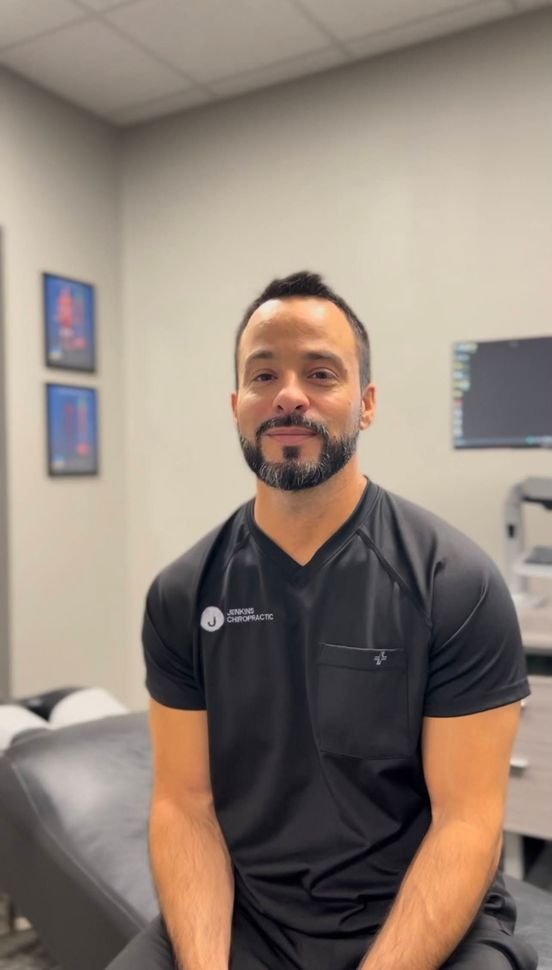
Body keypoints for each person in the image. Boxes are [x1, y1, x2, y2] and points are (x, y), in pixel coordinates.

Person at [106, 271, 538, 970]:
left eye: (320, 372)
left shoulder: (453, 583)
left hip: (420, 917)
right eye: (264, 374)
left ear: (366, 404)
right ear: (237, 404)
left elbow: (469, 823)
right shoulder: (184, 594)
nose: (289, 394)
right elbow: (185, 806)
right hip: (251, 920)